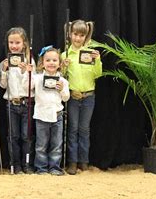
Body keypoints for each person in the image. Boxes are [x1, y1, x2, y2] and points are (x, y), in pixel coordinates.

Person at [62, 20, 102, 175]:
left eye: (81, 35)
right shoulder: (65, 54)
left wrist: (97, 60)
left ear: (86, 36)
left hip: (88, 97)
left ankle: (83, 161)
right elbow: (61, 77)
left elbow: (97, 74)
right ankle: (72, 162)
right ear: (70, 34)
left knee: (84, 130)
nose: (78, 38)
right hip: (73, 96)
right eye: (75, 34)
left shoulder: (90, 54)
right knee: (72, 129)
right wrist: (63, 65)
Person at [24, 46, 70, 175]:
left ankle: (54, 167)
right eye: (48, 60)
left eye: (54, 60)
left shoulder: (63, 81)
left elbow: (66, 98)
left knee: (56, 144)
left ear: (59, 64)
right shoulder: (37, 78)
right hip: (41, 116)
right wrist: (28, 74)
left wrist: (61, 89)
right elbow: (26, 88)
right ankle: (41, 168)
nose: (51, 63)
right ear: (42, 63)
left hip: (57, 115)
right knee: (41, 145)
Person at [0, 27, 35, 174]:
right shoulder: (4, 62)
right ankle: (15, 165)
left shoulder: (29, 61)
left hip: (27, 103)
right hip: (11, 103)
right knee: (13, 136)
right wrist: (4, 71)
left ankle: (27, 164)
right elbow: (2, 85)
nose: (14, 46)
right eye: (11, 42)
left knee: (26, 136)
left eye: (17, 42)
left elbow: (32, 86)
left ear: (24, 44)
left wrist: (26, 72)